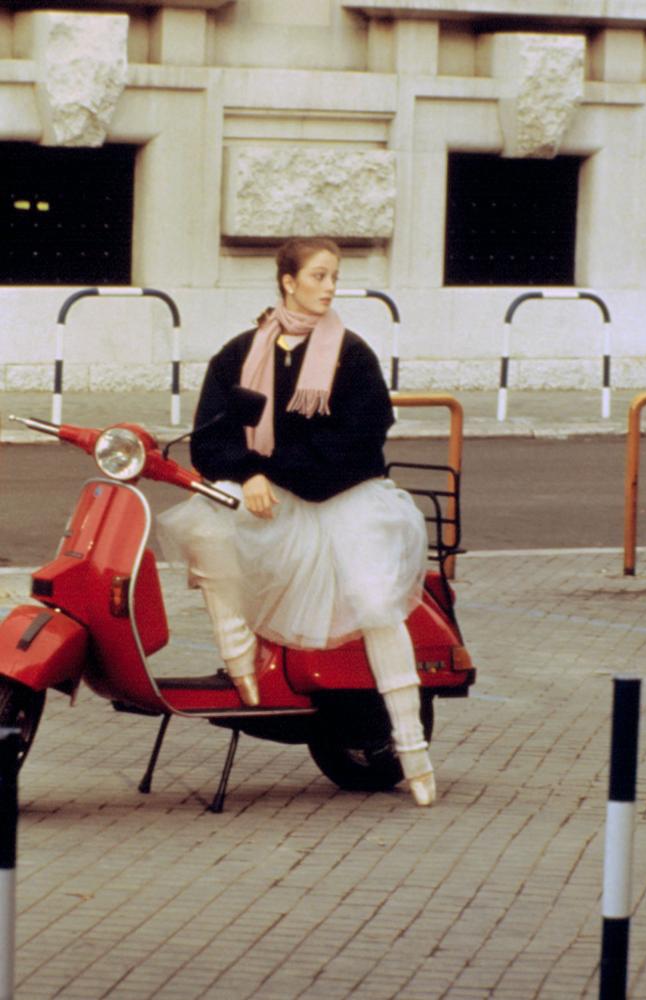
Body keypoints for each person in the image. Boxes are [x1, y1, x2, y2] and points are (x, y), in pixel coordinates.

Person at [158, 236, 436, 806]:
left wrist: (273, 468)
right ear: (288, 281)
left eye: (334, 276)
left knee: (376, 601)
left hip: (345, 498)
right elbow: (213, 436)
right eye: (319, 275)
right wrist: (250, 474)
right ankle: (242, 674)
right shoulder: (240, 354)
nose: (330, 286)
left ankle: (413, 752)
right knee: (206, 525)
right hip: (276, 500)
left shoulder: (351, 353)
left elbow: (361, 441)